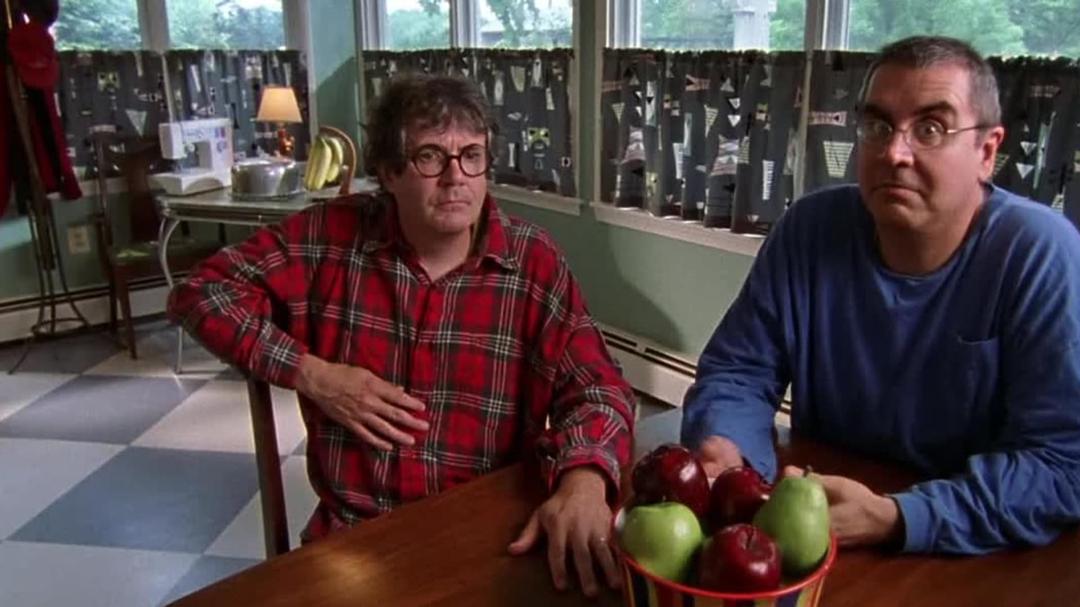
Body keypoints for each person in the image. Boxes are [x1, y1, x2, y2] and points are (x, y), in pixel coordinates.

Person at [168, 73, 634, 597]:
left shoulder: (533, 263)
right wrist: (313, 375)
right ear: (389, 171)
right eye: (430, 157)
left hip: (487, 528)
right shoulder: (328, 237)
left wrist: (584, 478)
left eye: (472, 156)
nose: (456, 178)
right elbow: (200, 293)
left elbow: (600, 389)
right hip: (355, 535)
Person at [681, 35, 1080, 555]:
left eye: (931, 129)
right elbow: (738, 373)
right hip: (820, 531)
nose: (894, 153)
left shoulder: (1040, 254)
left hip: (980, 553)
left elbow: (1062, 462)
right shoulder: (809, 230)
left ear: (987, 152)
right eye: (878, 126)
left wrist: (899, 516)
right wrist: (728, 452)